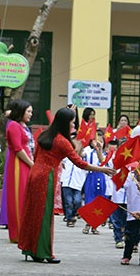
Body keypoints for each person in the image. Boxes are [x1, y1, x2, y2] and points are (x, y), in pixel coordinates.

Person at [18, 107, 115, 263]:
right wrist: (101, 169)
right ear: (65, 123)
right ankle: (44, 252)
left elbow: (36, 156)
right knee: (45, 215)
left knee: (33, 212)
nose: (74, 126)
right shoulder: (62, 141)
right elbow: (80, 163)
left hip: (34, 174)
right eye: (72, 122)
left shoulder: (44, 136)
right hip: (46, 177)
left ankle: (30, 248)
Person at [3, 99, 35, 243]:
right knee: (18, 195)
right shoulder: (14, 126)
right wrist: (31, 164)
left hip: (27, 162)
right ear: (20, 111)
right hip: (18, 164)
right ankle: (17, 233)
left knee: (26, 195)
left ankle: (26, 230)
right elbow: (18, 149)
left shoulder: (23, 126)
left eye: (31, 112)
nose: (30, 114)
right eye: (28, 111)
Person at [80, 125, 107, 235]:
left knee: (98, 202)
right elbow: (80, 155)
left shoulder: (105, 154)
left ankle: (95, 225)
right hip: (91, 177)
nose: (98, 143)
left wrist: (99, 150)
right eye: (96, 141)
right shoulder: (87, 152)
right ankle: (88, 223)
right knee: (89, 201)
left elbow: (103, 162)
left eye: (101, 141)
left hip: (101, 177)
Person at [59, 136, 87, 228]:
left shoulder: (84, 157)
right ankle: (70, 218)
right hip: (67, 182)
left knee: (78, 201)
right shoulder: (67, 156)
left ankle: (74, 213)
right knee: (68, 201)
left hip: (77, 183)